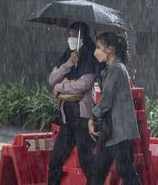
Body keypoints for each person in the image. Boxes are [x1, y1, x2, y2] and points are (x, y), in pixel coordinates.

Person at [48, 22, 101, 185]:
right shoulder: (68, 54)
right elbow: (51, 79)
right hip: (66, 120)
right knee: (55, 161)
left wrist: (61, 87)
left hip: (83, 119)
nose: (71, 39)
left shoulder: (91, 54)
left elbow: (84, 84)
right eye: (69, 35)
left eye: (74, 35)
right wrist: (70, 62)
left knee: (88, 164)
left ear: (82, 36)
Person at [88, 32, 142, 185]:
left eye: (98, 47)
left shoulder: (117, 69)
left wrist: (92, 117)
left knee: (126, 172)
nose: (95, 52)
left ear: (109, 49)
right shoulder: (112, 68)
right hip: (112, 132)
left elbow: (106, 100)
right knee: (98, 171)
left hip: (120, 133)